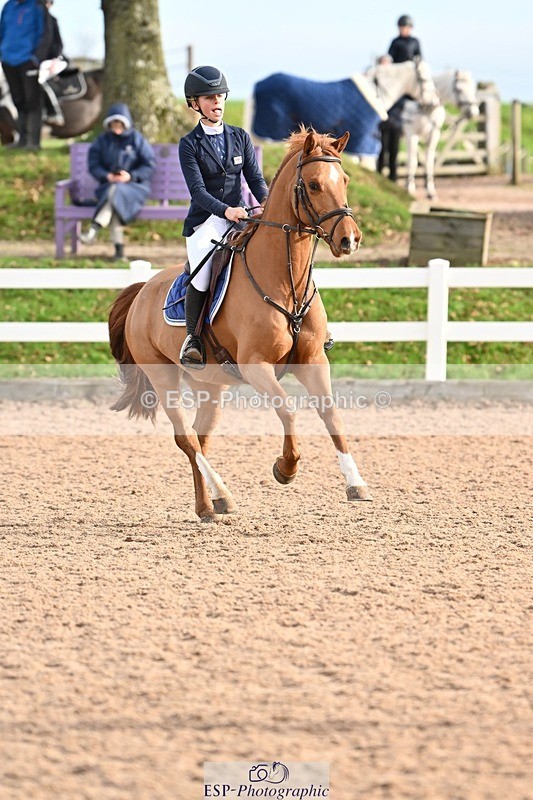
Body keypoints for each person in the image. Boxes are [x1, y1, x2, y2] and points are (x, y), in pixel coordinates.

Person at [178, 65, 269, 369]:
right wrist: (225, 210)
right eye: (208, 97)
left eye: (220, 96)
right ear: (195, 104)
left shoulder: (240, 136)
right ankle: (192, 338)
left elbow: (255, 179)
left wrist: (266, 202)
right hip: (206, 221)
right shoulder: (189, 144)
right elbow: (198, 191)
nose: (216, 101)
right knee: (203, 271)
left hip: (241, 216)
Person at [80, 103, 156, 262]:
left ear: (126, 123)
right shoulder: (102, 141)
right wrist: (107, 176)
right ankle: (119, 253)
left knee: (116, 193)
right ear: (109, 124)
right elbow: (93, 164)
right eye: (113, 124)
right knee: (115, 198)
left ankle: (95, 227)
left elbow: (149, 164)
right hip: (109, 186)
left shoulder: (137, 139)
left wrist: (130, 176)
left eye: (120, 124)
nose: (116, 127)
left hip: (134, 187)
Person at [0, 0, 51, 150]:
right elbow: (2, 30)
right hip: (8, 60)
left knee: (32, 101)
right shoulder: (8, 6)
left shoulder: (37, 6)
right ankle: (21, 140)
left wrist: (36, 58)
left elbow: (45, 34)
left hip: (28, 61)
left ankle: (33, 142)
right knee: (18, 101)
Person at [378, 16, 423, 181]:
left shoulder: (415, 42)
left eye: (406, 27)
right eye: (402, 27)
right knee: (386, 142)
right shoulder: (395, 42)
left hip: (409, 82)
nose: (404, 29)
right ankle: (381, 171)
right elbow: (390, 61)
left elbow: (419, 60)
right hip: (397, 81)